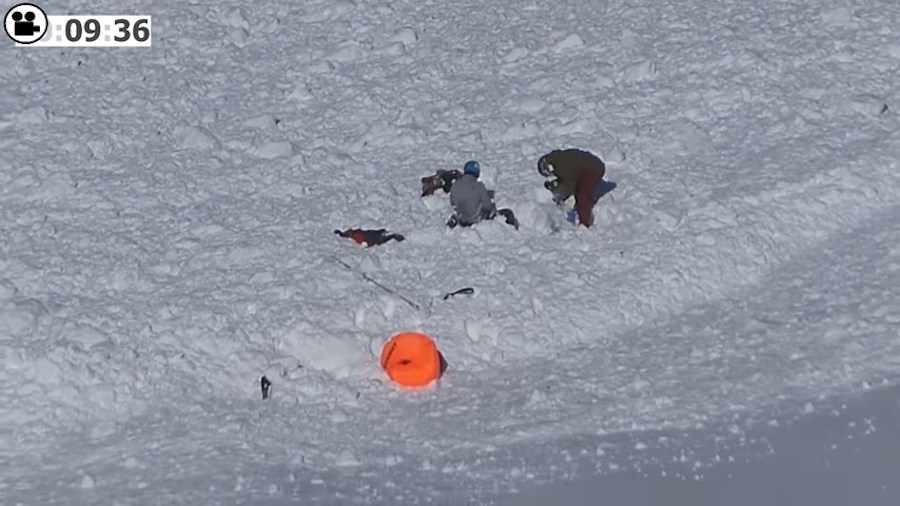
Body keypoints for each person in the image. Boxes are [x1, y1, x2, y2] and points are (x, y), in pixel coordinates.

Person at [537, 148, 608, 228]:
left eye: (548, 173)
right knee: (581, 190)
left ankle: (584, 223)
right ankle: (589, 203)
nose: (551, 175)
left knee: (581, 195)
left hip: (593, 169)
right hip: (589, 167)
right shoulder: (559, 159)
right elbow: (569, 176)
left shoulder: (561, 165)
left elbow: (570, 183)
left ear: (550, 167)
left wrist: (561, 196)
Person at [447, 160, 519, 229]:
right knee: (507, 212)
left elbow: (452, 202)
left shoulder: (455, 185)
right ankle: (512, 230)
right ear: (477, 173)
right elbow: (487, 206)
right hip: (476, 220)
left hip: (461, 219)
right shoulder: (479, 186)